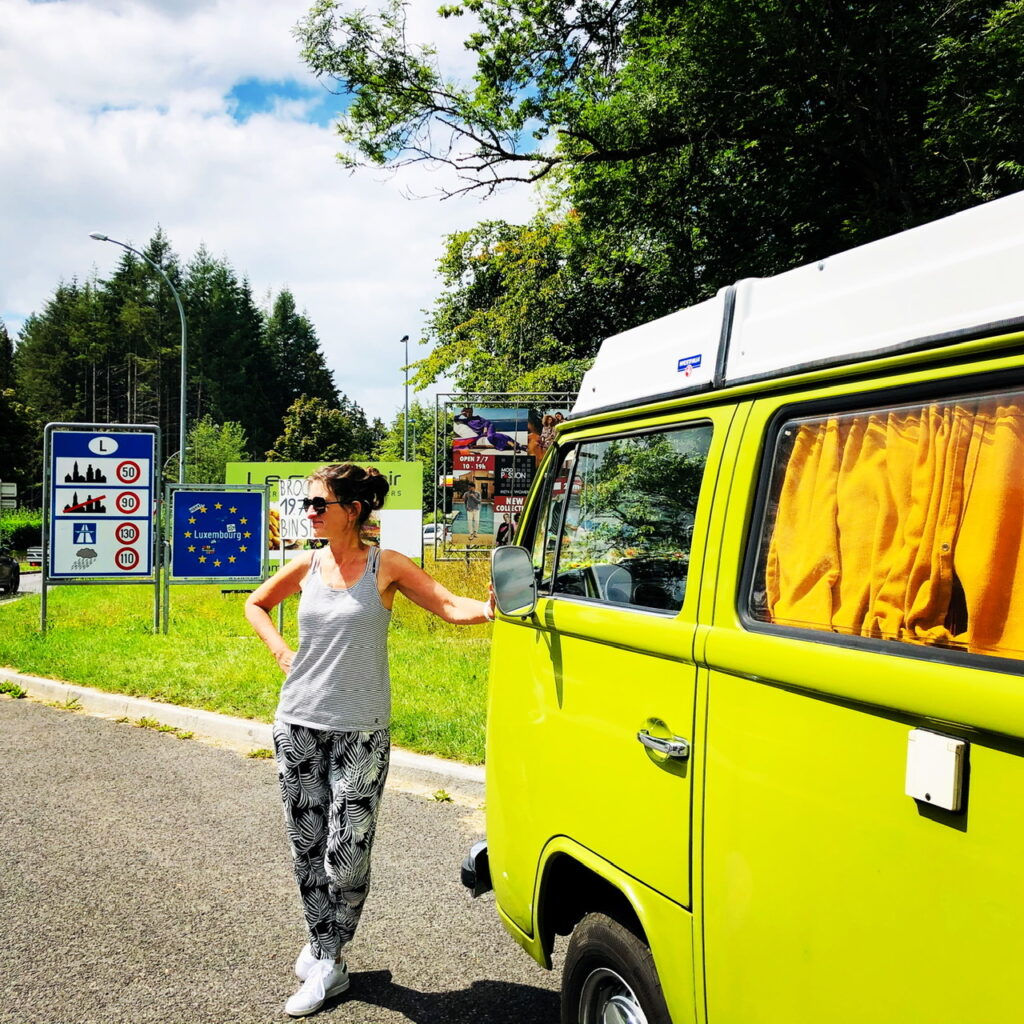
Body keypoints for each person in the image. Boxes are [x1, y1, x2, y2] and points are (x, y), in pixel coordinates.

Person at [245, 464, 495, 1018]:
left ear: (352, 509)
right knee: (307, 849)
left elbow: (452, 606)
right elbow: (255, 604)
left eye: (318, 504)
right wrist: (282, 653)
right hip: (300, 724)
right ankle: (328, 955)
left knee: (348, 855)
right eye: (307, 505)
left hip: (361, 731)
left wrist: (493, 607)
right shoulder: (307, 564)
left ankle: (328, 949)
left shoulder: (387, 566)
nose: (308, 513)